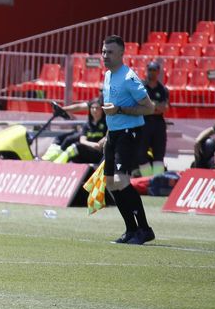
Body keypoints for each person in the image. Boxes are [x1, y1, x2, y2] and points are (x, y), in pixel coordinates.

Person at [63, 35, 158, 244]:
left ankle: (144, 229)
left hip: (129, 133)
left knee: (121, 181)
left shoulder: (129, 78)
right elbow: (110, 111)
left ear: (122, 54)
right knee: (109, 183)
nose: (105, 56)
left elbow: (150, 108)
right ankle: (131, 230)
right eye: (104, 51)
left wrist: (121, 110)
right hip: (114, 135)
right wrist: (108, 134)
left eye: (110, 52)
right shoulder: (107, 76)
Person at [41, 99, 108, 165]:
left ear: (102, 110)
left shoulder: (106, 124)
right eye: (92, 108)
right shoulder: (87, 125)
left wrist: (100, 144)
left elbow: (107, 137)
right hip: (87, 151)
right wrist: (93, 145)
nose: (94, 110)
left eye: (97, 108)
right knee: (65, 140)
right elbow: (82, 140)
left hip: (99, 154)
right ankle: (48, 160)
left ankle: (57, 165)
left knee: (75, 147)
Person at [140, 59, 169, 175]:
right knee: (140, 154)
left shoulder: (163, 90)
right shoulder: (140, 87)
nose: (151, 72)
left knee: (159, 154)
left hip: (158, 124)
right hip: (143, 123)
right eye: (149, 69)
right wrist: (155, 107)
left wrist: (150, 106)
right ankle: (147, 179)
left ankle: (158, 179)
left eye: (154, 70)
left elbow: (164, 107)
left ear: (158, 72)